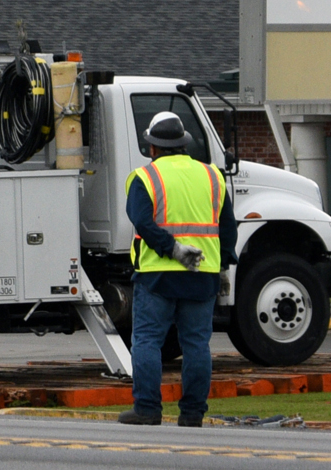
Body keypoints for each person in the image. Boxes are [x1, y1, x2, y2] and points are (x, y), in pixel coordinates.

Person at [121, 111, 238, 427]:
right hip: (203, 273)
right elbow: (227, 227)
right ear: (184, 144)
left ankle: (147, 409)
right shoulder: (213, 176)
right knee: (196, 344)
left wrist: (173, 249)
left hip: (158, 273)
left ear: (152, 147)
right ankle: (192, 413)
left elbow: (143, 223)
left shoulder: (145, 177)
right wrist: (223, 263)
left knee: (147, 341)